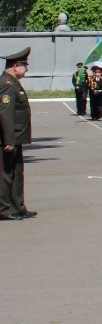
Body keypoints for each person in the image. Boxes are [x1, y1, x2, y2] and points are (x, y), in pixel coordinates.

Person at [0, 46, 35, 220]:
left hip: (16, 137)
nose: (26, 69)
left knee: (17, 172)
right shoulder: (7, 85)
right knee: (6, 174)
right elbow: (5, 113)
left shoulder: (13, 83)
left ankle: (18, 206)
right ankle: (4, 209)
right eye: (24, 65)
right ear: (15, 66)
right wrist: (8, 139)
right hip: (9, 138)